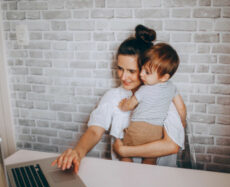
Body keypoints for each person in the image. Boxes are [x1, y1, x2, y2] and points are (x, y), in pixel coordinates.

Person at [51, 25, 186, 173]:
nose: (123, 77)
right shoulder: (113, 96)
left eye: (131, 71)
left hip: (160, 177)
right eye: (120, 68)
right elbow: (95, 131)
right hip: (123, 176)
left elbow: (172, 145)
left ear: (147, 69)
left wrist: (125, 152)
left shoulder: (163, 98)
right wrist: (78, 152)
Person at [118, 42, 180, 165]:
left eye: (147, 72)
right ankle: (147, 179)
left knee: (125, 154)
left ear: (164, 77)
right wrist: (182, 122)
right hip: (156, 132)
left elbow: (130, 105)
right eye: (142, 70)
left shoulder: (144, 89)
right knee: (150, 159)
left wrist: (123, 105)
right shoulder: (172, 88)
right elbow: (181, 107)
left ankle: (126, 173)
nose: (141, 75)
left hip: (138, 129)